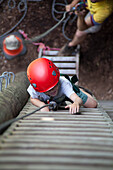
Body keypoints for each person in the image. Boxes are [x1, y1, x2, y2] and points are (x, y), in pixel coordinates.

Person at [27, 58, 97, 114]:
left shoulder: (64, 84)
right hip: (54, 99)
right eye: (48, 90)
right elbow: (33, 99)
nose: (53, 91)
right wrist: (41, 105)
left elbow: (77, 99)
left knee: (92, 105)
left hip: (65, 94)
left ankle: (80, 90)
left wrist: (76, 103)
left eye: (55, 86)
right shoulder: (36, 87)